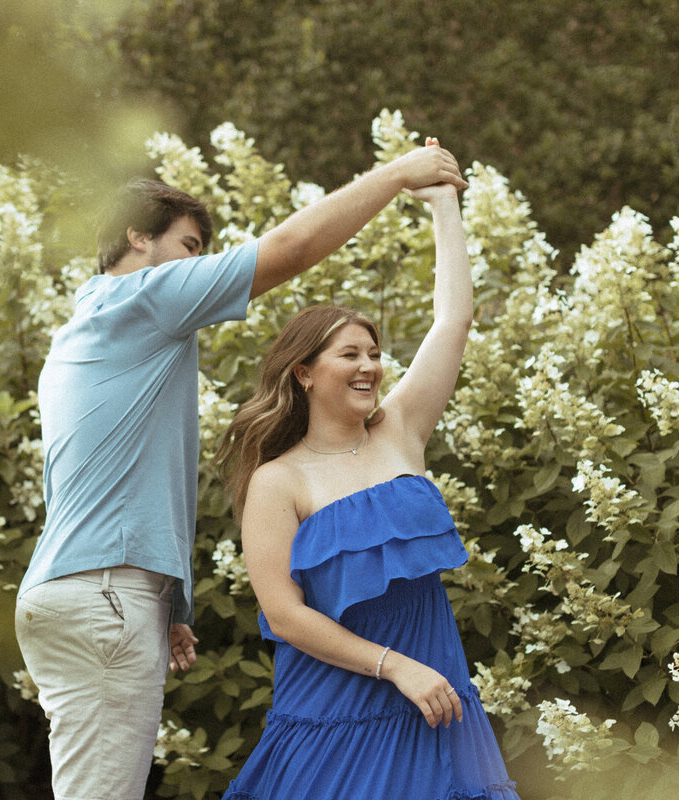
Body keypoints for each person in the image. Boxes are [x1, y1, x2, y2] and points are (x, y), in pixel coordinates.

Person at [15, 140, 467, 800]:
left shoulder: (84, 335)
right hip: (104, 595)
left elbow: (95, 484)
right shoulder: (142, 297)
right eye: (192, 245)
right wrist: (399, 174)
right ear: (137, 237)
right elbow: (287, 252)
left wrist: (166, 600)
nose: (199, 266)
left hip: (84, 589)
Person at [215, 155, 520, 799]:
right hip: (337, 719)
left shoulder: (400, 431)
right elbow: (286, 616)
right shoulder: (277, 481)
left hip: (434, 705)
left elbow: (453, 321)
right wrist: (394, 667)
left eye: (375, 355)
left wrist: (444, 208)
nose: (369, 368)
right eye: (349, 354)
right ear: (304, 372)